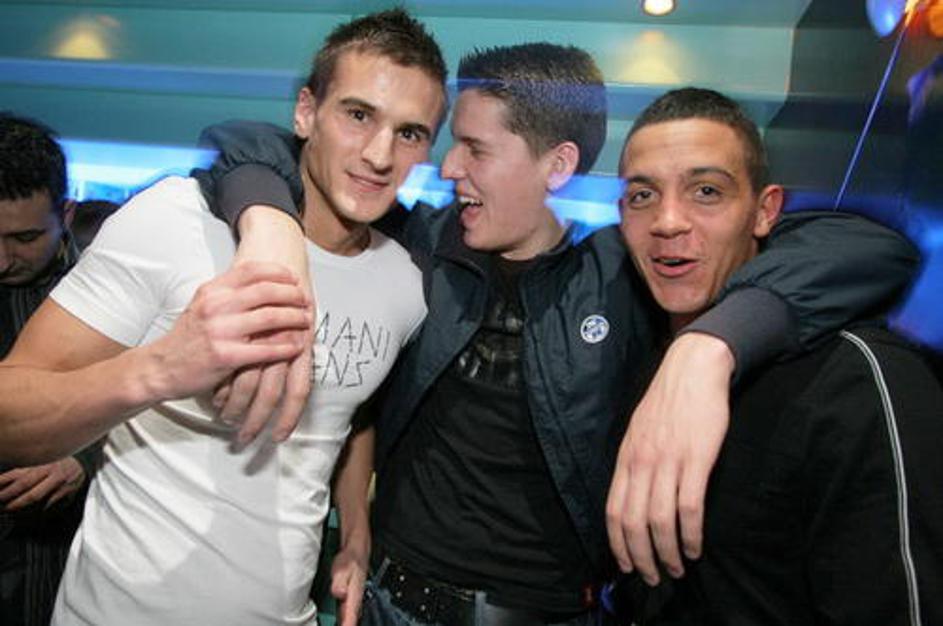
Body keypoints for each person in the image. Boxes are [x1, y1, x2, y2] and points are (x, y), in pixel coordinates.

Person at [196, 42, 918, 625]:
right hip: (389, 602)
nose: (448, 167)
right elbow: (248, 143)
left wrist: (710, 345)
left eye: (474, 149)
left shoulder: (624, 274)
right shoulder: (420, 245)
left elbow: (864, 247)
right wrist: (268, 224)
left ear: (558, 165)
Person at [0, 9, 446, 625]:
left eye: (410, 133)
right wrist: (159, 369)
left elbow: (350, 414)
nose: (379, 154)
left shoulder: (405, 282)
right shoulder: (176, 220)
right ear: (306, 112)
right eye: (358, 114)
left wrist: (355, 535)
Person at [618, 87, 942, 624]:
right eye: (642, 195)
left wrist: (710, 346)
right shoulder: (638, 342)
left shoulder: (858, 378)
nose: (667, 220)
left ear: (765, 211)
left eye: (706, 191)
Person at [0, 113, 99, 626]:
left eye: (23, 237)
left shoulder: (113, 297)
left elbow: (159, 410)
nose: (0, 260)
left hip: (66, 563)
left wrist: (86, 459)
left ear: (66, 213)